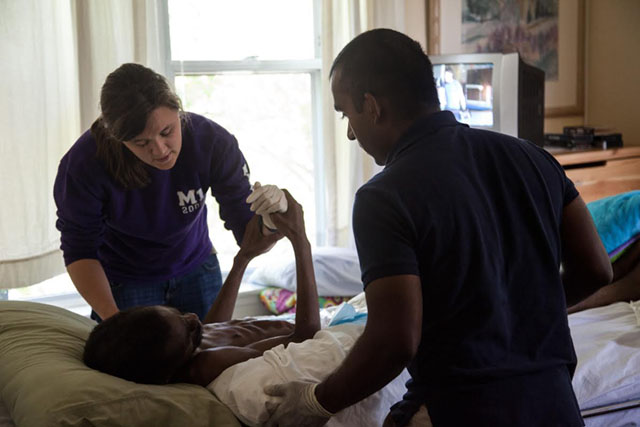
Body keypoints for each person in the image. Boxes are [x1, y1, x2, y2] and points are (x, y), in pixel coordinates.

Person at [264, 28, 613, 427]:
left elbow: (394, 341)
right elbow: (597, 269)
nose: (349, 132)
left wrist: (316, 401)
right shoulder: (536, 159)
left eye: (346, 114)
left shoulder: (383, 197)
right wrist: (525, 313)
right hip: (556, 405)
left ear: (372, 106)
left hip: (466, 409)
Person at [54, 63, 255, 322]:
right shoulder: (83, 165)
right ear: (117, 137)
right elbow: (79, 250)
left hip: (197, 266)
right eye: (141, 142)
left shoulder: (211, 141)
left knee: (212, 347)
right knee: (130, 349)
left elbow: (246, 226)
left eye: (167, 132)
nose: (160, 150)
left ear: (178, 110)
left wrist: (275, 220)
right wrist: (113, 320)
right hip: (125, 280)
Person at [83, 189, 323, 387]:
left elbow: (213, 329)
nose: (192, 317)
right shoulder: (209, 365)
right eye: (188, 329)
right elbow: (305, 336)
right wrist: (300, 239)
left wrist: (243, 258)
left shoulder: (181, 343)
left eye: (178, 314)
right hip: (316, 339)